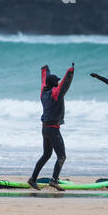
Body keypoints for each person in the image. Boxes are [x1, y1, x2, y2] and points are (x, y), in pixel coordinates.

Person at [27, 63, 75, 191]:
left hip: (45, 129)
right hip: (53, 129)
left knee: (46, 154)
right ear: (54, 84)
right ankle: (53, 181)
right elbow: (65, 84)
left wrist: (45, 70)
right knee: (62, 156)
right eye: (57, 82)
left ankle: (32, 179)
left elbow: (45, 80)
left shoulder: (44, 92)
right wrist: (70, 72)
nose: (59, 83)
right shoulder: (55, 93)